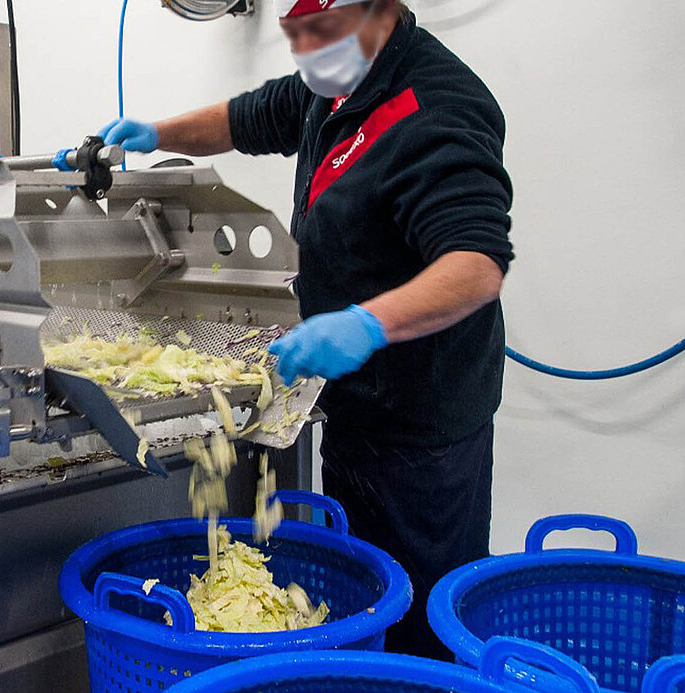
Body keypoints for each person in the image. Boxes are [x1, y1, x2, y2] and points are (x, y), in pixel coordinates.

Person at [100, 0, 513, 658]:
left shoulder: (438, 105)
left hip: (422, 425)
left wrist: (365, 323)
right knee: (367, 591)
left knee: (420, 615)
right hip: (355, 401)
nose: (305, 52)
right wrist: (155, 132)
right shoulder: (335, 82)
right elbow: (245, 118)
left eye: (319, 34)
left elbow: (476, 264)